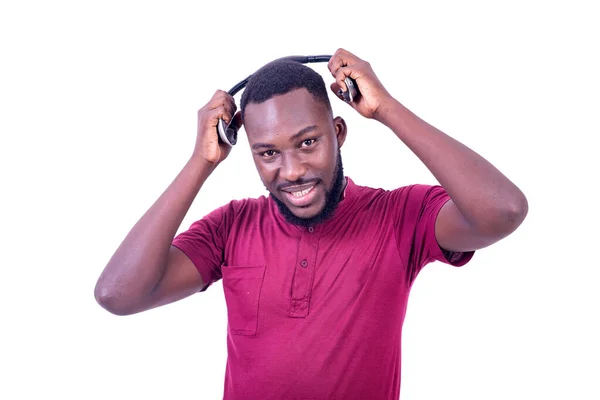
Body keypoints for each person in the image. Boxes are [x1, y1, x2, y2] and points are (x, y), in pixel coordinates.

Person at [94, 48, 528, 399]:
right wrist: (200, 162)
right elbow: (117, 294)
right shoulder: (230, 228)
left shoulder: (399, 217)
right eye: (268, 153)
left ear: (338, 132)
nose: (293, 170)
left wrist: (387, 109)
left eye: (307, 142)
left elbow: (502, 210)